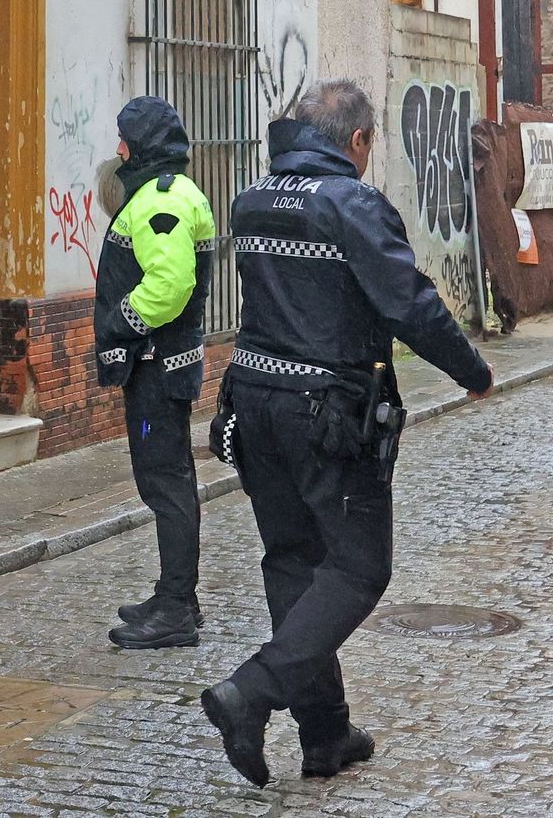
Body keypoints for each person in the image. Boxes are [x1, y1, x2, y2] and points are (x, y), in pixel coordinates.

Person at [199, 80, 493, 785]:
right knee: (360, 568)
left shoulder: (252, 198)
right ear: (358, 142)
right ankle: (253, 692)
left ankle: (325, 735)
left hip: (253, 399)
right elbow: (410, 304)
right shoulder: (352, 204)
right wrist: (472, 371)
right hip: (327, 409)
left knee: (293, 561)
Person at [94, 96, 216, 650]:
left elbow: (169, 286)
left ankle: (174, 607)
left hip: (156, 370)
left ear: (140, 145)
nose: (117, 149)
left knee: (164, 482)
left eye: (124, 139)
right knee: (172, 480)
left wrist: (120, 323)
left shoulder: (158, 201)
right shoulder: (167, 193)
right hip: (164, 368)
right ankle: (177, 596)